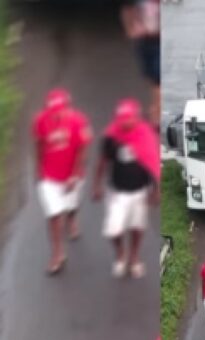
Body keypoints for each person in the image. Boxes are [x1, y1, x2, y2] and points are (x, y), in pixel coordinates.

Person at [92, 99, 160, 279]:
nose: (124, 122)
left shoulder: (146, 135)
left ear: (136, 118)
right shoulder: (111, 138)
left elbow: (152, 163)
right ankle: (121, 253)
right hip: (117, 192)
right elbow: (102, 161)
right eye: (121, 119)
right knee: (114, 229)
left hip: (139, 191)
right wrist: (97, 185)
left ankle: (134, 257)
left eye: (128, 119)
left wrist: (156, 190)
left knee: (137, 226)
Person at [33, 89, 93, 274]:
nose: (56, 115)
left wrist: (74, 175)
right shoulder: (40, 121)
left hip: (72, 177)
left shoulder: (78, 122)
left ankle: (72, 221)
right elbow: (39, 145)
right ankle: (58, 254)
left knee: (71, 207)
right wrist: (39, 170)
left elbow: (83, 150)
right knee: (54, 215)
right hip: (50, 177)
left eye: (60, 110)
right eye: (53, 111)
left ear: (67, 108)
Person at [120, 0, 160, 128]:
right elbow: (127, 9)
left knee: (157, 80)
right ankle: (155, 108)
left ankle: (157, 113)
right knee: (150, 77)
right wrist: (130, 29)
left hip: (156, 41)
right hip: (144, 41)